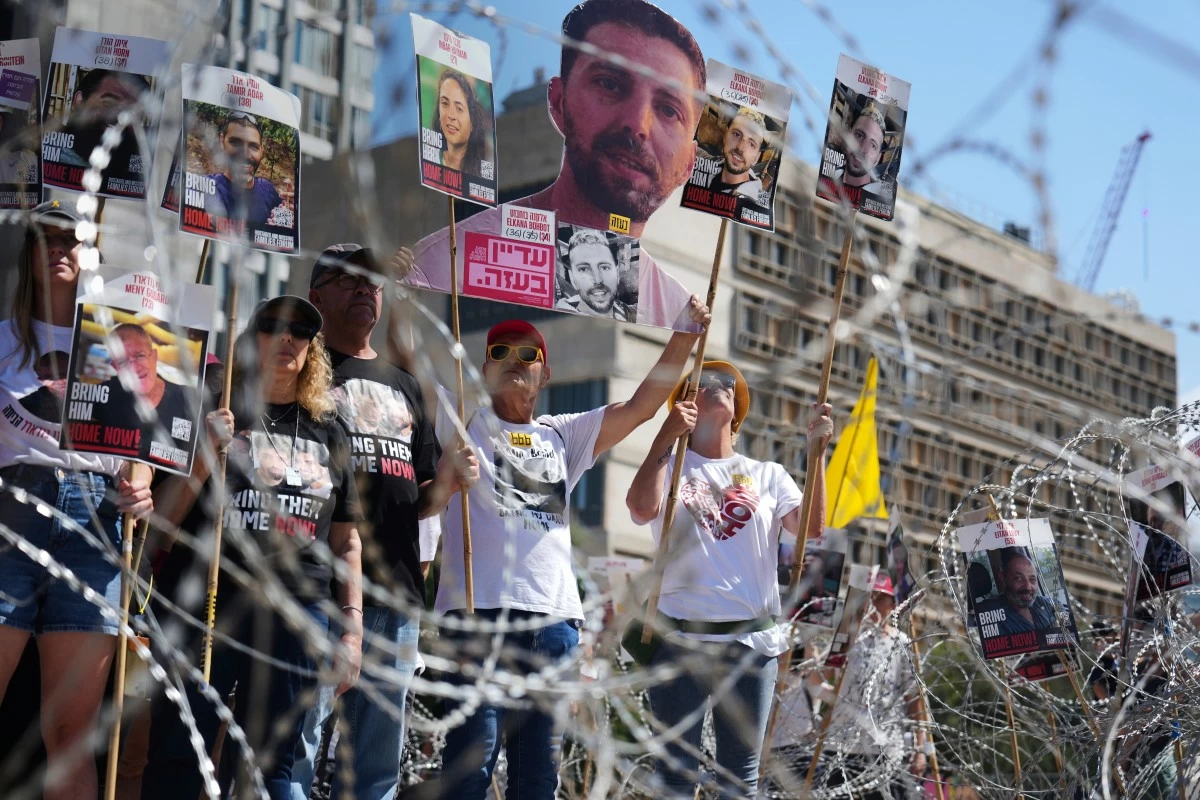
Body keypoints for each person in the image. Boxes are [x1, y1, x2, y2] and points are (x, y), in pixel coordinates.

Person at [436, 295, 709, 799]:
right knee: (469, 770)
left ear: (546, 374)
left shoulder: (562, 435)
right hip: (478, 618)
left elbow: (642, 406)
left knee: (538, 777)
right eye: (500, 353)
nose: (514, 363)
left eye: (527, 355)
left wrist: (687, 333)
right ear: (483, 370)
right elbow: (407, 355)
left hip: (553, 626)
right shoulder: (460, 421)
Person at [140, 296, 365, 800]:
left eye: (302, 331)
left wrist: (351, 630)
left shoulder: (329, 431)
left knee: (272, 765)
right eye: (275, 326)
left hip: (296, 611)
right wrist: (203, 459)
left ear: (312, 350)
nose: (289, 339)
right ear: (251, 340)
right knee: (181, 747)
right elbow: (161, 522)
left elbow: (346, 537)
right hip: (209, 601)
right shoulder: (212, 411)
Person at [290, 243, 476, 800]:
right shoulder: (303, 375)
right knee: (298, 745)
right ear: (316, 296)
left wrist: (446, 481)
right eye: (350, 281)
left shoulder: (404, 384)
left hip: (396, 590)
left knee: (376, 766)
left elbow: (419, 499)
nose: (365, 291)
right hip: (319, 585)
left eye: (373, 283)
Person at [408, 0, 707, 330]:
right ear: (558, 102)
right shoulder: (442, 261)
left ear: (689, 164)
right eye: (609, 84)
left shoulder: (680, 315)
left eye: (668, 110)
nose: (638, 125)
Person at [0, 200, 153, 800]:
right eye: (47, 238)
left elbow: (146, 438)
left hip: (95, 521)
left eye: (74, 239)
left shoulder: (127, 343)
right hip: (12, 509)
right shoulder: (4, 338)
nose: (60, 248)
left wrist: (141, 478)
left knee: (71, 733)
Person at [625, 360, 832, 796]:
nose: (716, 386)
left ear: (736, 409)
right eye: (702, 383)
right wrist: (665, 436)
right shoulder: (672, 467)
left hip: (750, 646)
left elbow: (811, 527)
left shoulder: (768, 474)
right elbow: (641, 508)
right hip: (679, 640)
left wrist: (818, 454)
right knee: (676, 777)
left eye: (726, 384)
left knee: (741, 780)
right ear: (684, 404)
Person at [815, 574, 927, 800]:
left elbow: (914, 699)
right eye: (870, 597)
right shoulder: (847, 638)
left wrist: (920, 748)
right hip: (841, 744)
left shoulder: (902, 644)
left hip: (884, 745)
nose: (872, 603)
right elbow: (817, 679)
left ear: (893, 605)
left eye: (880, 598)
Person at [91, 322, 195, 466]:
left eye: (140, 356)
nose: (133, 368)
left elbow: (188, 460)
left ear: (154, 357)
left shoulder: (188, 400)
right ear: (115, 367)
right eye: (123, 361)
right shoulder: (101, 397)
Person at [55, 68, 150, 171]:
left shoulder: (141, 164)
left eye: (133, 112)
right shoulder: (49, 152)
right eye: (108, 104)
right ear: (79, 101)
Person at [207, 111, 284, 225]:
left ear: (262, 151)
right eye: (236, 143)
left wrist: (290, 210)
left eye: (253, 146)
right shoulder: (205, 188)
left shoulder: (268, 190)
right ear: (222, 142)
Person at [691, 107, 769, 204]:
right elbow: (699, 153)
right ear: (725, 136)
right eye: (737, 134)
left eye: (751, 144)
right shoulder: (716, 163)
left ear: (756, 158)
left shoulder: (758, 203)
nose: (740, 148)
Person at [554, 229, 632, 320]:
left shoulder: (628, 312)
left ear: (617, 273)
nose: (597, 280)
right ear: (571, 277)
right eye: (584, 269)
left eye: (604, 268)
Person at [985, 547, 1056, 637]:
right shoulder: (990, 614)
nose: (1028, 587)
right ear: (1003, 577)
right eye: (1018, 578)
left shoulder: (1041, 602)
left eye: (1032, 579)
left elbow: (1060, 607)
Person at [431, 68, 488, 176]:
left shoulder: (484, 172)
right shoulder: (432, 162)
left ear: (472, 123)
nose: (451, 115)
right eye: (445, 103)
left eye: (459, 108)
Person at [833, 105, 887, 192]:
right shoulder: (831, 176)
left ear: (878, 159)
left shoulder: (880, 197)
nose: (862, 149)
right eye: (859, 135)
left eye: (873, 146)